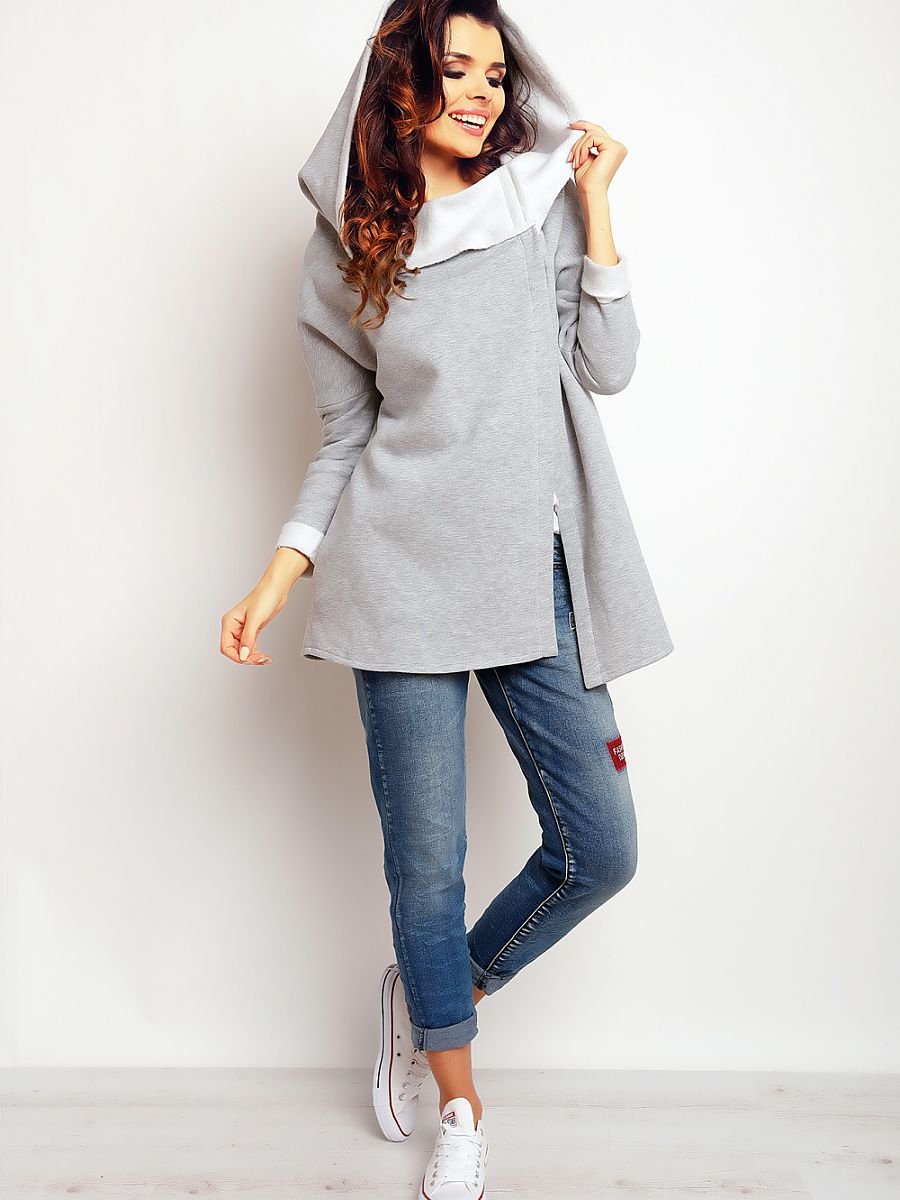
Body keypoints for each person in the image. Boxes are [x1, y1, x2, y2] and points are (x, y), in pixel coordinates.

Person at [221, 1, 674, 1194]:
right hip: (398, 579)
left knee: (601, 849)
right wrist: (279, 573)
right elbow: (345, 435)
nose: (481, 92)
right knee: (427, 866)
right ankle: (461, 1104)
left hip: (536, 569)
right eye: (454, 70)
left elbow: (608, 367)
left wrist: (598, 205)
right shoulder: (344, 248)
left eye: (495, 73)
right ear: (400, 86)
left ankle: (435, 993)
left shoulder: (535, 205)